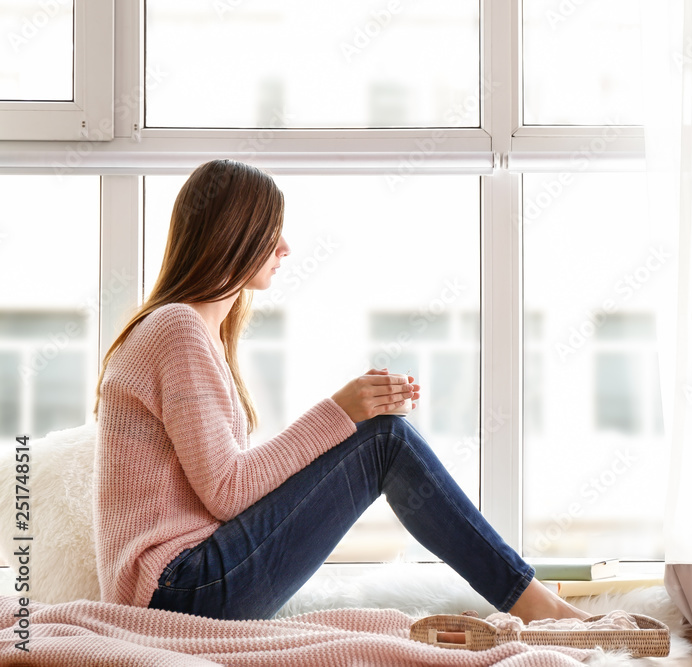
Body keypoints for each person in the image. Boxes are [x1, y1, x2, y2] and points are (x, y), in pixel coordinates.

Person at [91, 158, 588, 624]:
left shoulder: (198, 334)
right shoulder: (176, 329)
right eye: (270, 231)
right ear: (231, 234)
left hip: (188, 583)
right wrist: (340, 413)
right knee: (386, 440)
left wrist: (352, 416)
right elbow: (227, 492)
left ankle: (534, 602)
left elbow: (225, 489)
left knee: (382, 434)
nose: (285, 247)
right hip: (179, 589)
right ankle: (539, 606)